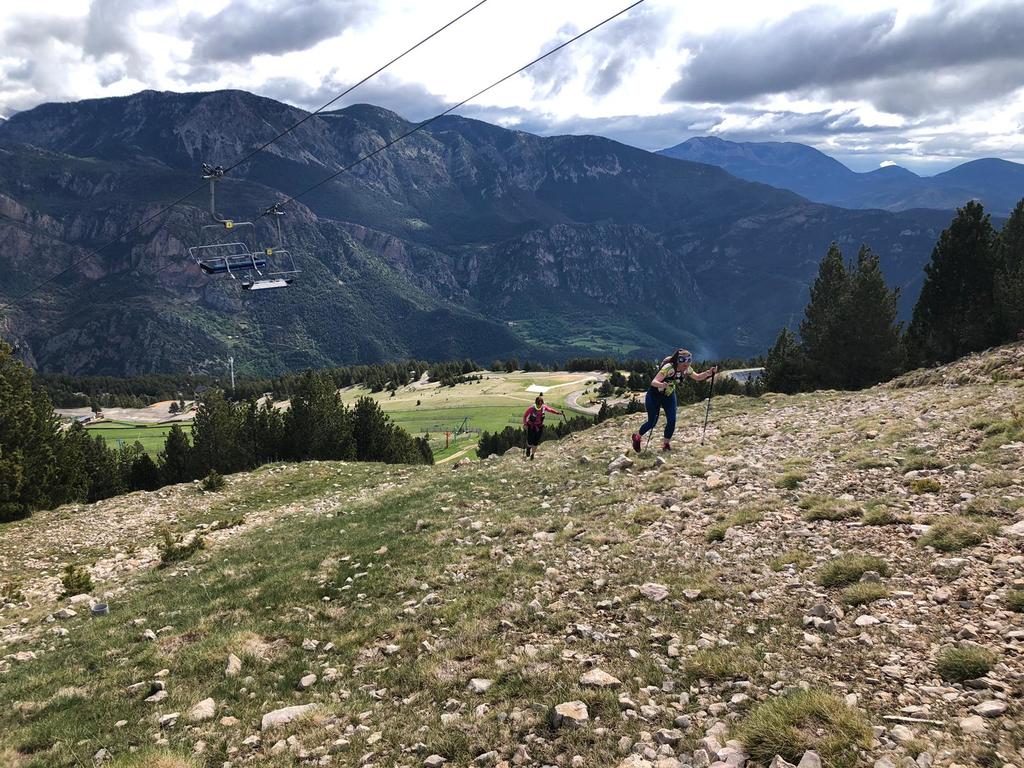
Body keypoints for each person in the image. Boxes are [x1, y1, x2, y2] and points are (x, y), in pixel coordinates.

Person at [631, 349, 716, 453]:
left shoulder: (687, 369)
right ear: (678, 361)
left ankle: (666, 444)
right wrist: (661, 384)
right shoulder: (668, 368)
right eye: (683, 362)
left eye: (689, 361)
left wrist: (708, 373)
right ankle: (637, 437)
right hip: (654, 395)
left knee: (672, 420)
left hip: (669, 395)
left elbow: (697, 377)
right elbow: (653, 382)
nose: (686, 364)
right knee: (652, 422)